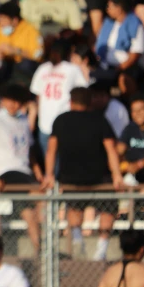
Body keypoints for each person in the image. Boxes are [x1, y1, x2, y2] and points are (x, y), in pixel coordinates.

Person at [42, 87, 123, 260]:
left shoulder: (61, 120)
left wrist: (49, 174)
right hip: (100, 178)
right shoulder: (99, 119)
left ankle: (78, 242)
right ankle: (100, 250)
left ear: (71, 101)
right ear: (90, 101)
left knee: (74, 210)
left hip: (71, 178)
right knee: (108, 211)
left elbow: (51, 150)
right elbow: (111, 150)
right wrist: (117, 175)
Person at [0, 84, 43, 252]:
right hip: (6, 172)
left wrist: (38, 173)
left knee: (32, 212)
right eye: (10, 101)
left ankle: (41, 248)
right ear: (3, 101)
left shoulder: (22, 120)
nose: (13, 105)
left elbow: (29, 152)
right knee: (38, 202)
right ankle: (42, 247)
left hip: (24, 172)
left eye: (17, 102)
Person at [29, 39, 88, 156]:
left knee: (50, 163)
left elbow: (38, 97)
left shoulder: (42, 68)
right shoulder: (72, 69)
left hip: (44, 124)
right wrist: (85, 70)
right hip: (65, 124)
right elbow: (83, 92)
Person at [0, 1, 43, 96]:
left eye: (3, 19)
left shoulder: (31, 30)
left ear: (15, 20)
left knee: (26, 64)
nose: (0, 23)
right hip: (3, 67)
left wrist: (16, 51)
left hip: (21, 67)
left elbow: (38, 54)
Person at [93, 0, 144, 97]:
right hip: (105, 64)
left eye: (110, 6)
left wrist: (119, 68)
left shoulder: (135, 24)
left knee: (124, 79)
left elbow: (135, 54)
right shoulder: (108, 23)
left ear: (119, 8)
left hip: (127, 67)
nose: (107, 9)